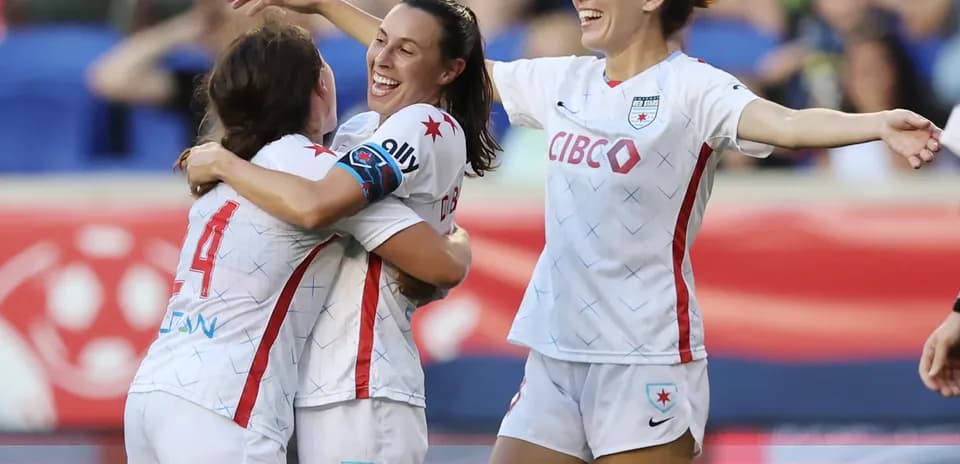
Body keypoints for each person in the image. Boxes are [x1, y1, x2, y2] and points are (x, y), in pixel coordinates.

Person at [244, 1, 943, 463]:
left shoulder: (692, 89)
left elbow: (786, 124)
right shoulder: (563, 82)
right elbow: (436, 56)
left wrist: (876, 122)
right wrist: (322, 5)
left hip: (645, 359)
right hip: (555, 354)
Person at [125, 20, 471, 464]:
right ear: (318, 87)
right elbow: (435, 264)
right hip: (223, 405)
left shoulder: (226, 171)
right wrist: (459, 243)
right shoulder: (313, 172)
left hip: (152, 391)